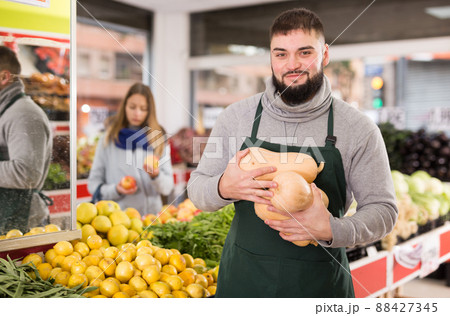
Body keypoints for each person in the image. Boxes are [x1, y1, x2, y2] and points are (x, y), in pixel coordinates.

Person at [187, 8, 398, 298]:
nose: (292, 64)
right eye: (281, 54)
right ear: (271, 58)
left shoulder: (358, 128)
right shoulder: (235, 117)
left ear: (324, 55)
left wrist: (332, 229)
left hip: (319, 286)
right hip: (244, 283)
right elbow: (197, 189)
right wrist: (223, 186)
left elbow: (384, 211)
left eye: (304, 52)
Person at [88, 83, 174, 216]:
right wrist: (116, 189)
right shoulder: (109, 139)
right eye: (132, 107)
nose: (137, 113)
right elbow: (93, 185)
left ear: (150, 111)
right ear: (124, 107)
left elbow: (167, 188)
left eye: (143, 109)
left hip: (152, 220)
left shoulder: (158, 139)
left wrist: (155, 176)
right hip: (119, 222)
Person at [0, 46, 52, 234]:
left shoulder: (24, 115)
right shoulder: (6, 112)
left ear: (4, 77)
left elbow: (27, 173)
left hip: (22, 226)